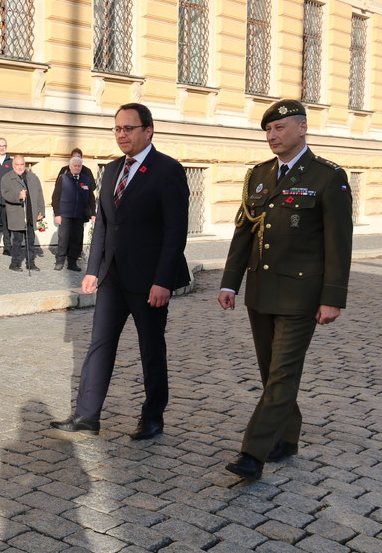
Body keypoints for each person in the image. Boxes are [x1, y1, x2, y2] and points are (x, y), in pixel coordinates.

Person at [218, 99, 352, 481]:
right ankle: (287, 437)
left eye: (280, 129)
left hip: (301, 297)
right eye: (268, 131)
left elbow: (339, 243)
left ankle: (252, 453)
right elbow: (244, 232)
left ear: (302, 128)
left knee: (281, 375)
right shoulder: (258, 175)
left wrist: (332, 297)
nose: (272, 136)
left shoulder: (327, 177)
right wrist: (230, 282)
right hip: (261, 293)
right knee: (272, 374)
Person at [50, 103, 190, 440]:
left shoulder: (168, 170)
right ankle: (86, 416)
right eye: (117, 129)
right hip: (112, 277)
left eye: (128, 128)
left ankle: (152, 417)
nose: (122, 134)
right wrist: (93, 269)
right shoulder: (111, 170)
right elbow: (104, 226)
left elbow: (175, 231)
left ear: (148, 131)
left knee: (151, 350)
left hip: (149, 281)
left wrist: (162, 280)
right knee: (99, 345)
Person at [51, 155, 97, 271]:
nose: (77, 168)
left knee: (76, 240)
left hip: (79, 214)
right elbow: (55, 197)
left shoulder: (86, 180)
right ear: (70, 166)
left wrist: (93, 213)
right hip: (65, 214)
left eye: (79, 166)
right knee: (63, 239)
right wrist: (57, 214)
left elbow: (91, 197)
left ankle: (72, 263)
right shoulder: (63, 178)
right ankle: (59, 261)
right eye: (75, 166)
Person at [0, 155, 45, 272]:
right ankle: (15, 263)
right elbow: (5, 194)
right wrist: (18, 196)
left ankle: (31, 263)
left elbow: (40, 195)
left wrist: (41, 211)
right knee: (17, 240)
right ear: (13, 165)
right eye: (17, 165)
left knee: (30, 240)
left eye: (22, 164)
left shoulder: (33, 177)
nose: (19, 167)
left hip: (31, 213)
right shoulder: (7, 178)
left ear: (24, 165)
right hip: (17, 215)